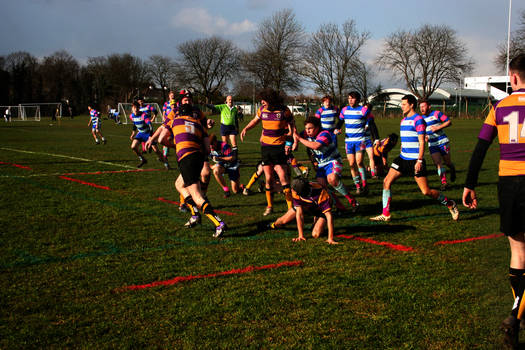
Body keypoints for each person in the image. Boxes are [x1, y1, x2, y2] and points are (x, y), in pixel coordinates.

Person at [462, 53, 525, 349]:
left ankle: (517, 311)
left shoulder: (499, 107)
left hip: (509, 183)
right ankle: (516, 315)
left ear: (513, 78)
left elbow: (480, 147)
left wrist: (470, 184)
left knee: (518, 249)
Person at [146, 97, 227, 238]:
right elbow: (208, 150)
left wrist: (176, 145)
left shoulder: (175, 121)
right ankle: (195, 214)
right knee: (179, 184)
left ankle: (218, 223)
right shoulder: (199, 125)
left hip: (186, 158)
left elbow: (161, 140)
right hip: (199, 158)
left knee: (197, 195)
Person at [370, 94, 459, 222]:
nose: (402, 107)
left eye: (404, 104)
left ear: (411, 105)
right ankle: (386, 214)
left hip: (415, 160)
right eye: (401, 104)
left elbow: (422, 142)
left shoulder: (418, 120)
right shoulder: (403, 120)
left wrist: (419, 160)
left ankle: (450, 203)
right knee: (386, 182)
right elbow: (406, 139)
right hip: (402, 158)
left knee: (426, 192)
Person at [240, 88, 297, 216]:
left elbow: (291, 126)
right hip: (266, 148)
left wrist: (289, 143)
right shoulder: (261, 110)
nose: (262, 102)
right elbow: (255, 120)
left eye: (264, 100)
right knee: (269, 178)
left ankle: (290, 208)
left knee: (283, 175)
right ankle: (270, 206)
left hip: (279, 148)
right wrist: (246, 128)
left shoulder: (284, 110)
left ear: (271, 100)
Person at [294, 116, 359, 212]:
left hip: (333, 161)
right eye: (306, 128)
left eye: (310, 128)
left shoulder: (324, 134)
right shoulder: (305, 134)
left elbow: (316, 146)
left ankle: (353, 201)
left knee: (332, 179)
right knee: (322, 187)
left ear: (317, 127)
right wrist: (293, 132)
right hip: (321, 165)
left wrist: (299, 139)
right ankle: (340, 207)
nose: (307, 131)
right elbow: (293, 135)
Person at [269, 177, 337, 244]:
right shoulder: (295, 190)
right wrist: (300, 236)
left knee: (315, 234)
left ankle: (317, 219)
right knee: (282, 221)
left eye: (293, 190)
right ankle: (272, 225)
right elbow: (299, 214)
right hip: (306, 207)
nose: (292, 191)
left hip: (321, 210)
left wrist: (330, 238)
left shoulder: (321, 193)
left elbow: (329, 216)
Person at [336, 92, 378, 195]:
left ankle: (364, 184)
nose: (350, 100)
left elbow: (372, 124)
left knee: (359, 162)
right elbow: (340, 122)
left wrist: (376, 138)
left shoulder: (363, 110)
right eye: (349, 98)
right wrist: (337, 129)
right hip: (348, 141)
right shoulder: (344, 110)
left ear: (358, 100)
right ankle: (358, 186)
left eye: (352, 98)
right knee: (351, 164)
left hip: (360, 140)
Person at [419, 99, 456, 190]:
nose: (422, 109)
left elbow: (448, 122)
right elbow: (422, 131)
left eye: (423, 106)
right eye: (420, 107)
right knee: (438, 163)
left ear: (429, 106)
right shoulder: (421, 118)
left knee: (447, 162)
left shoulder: (437, 114)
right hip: (432, 144)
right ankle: (444, 183)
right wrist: (426, 137)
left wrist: (438, 127)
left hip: (442, 141)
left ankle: (452, 168)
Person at [129, 102, 169, 169]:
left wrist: (150, 136)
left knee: (156, 151)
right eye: (134, 108)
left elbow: (150, 125)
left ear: (139, 108)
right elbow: (135, 124)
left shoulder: (143, 115)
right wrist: (133, 133)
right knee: (133, 147)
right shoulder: (131, 116)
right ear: (132, 109)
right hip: (140, 133)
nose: (136, 109)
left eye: (137, 108)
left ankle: (166, 163)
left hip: (148, 133)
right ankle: (143, 159)